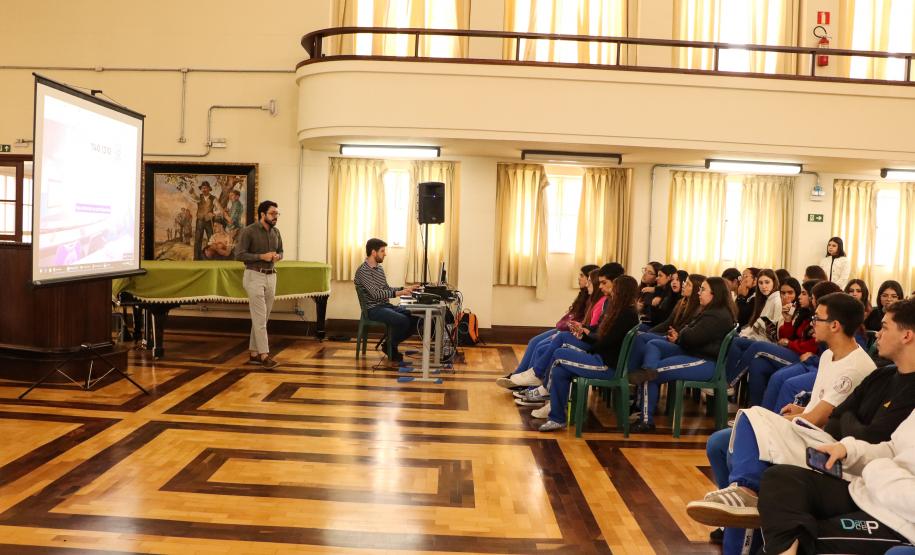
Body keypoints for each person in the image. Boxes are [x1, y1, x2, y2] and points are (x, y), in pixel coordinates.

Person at [686, 293, 877, 530]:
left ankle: (747, 492)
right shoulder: (829, 355)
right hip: (809, 430)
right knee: (719, 442)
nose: (811, 323)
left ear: (835, 326)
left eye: (817, 318)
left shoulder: (855, 367)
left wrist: (792, 418)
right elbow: (819, 404)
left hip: (826, 445)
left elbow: (819, 420)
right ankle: (732, 510)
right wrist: (800, 409)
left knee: (751, 416)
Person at [756, 298, 915, 554]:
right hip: (867, 488)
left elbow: (872, 437)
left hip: (899, 519)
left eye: (884, 327)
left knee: (809, 536)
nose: (877, 334)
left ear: (907, 336)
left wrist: (876, 470)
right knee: (780, 477)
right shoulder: (883, 374)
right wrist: (849, 449)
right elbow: (887, 445)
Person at [628, 277, 737, 433]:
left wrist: (681, 335)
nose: (699, 292)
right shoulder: (711, 311)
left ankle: (646, 421)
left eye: (703, 289)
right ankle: (648, 368)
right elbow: (689, 331)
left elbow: (691, 336)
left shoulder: (716, 315)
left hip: (705, 363)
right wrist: (682, 334)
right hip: (694, 353)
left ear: (715, 294)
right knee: (653, 344)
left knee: (648, 376)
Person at [536, 275, 641, 432]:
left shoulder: (627, 315)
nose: (612, 291)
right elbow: (602, 338)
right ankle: (556, 418)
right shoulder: (620, 310)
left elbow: (604, 343)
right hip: (600, 358)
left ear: (622, 292)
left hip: (607, 367)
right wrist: (584, 335)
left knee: (559, 352)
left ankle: (544, 391)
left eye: (615, 288)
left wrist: (585, 345)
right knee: (560, 370)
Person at [353, 238, 420, 363]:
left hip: (385, 305)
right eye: (382, 251)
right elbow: (376, 294)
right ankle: (390, 346)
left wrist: (405, 289)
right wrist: (398, 293)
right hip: (373, 309)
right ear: (373, 252)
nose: (385, 253)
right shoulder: (363, 271)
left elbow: (386, 288)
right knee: (403, 321)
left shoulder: (379, 268)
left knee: (415, 317)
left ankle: (389, 344)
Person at [234, 200, 283, 369]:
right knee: (260, 318)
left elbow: (281, 251)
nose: (275, 216)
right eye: (272, 213)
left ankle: (254, 353)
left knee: (262, 318)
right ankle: (264, 355)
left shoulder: (276, 232)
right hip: (254, 275)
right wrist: (261, 257)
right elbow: (239, 255)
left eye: (277, 213)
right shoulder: (249, 231)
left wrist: (277, 257)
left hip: (271, 276)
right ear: (262, 214)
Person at [192, 181, 217, 260]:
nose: (204, 189)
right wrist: (192, 193)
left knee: (211, 239)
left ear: (209, 189)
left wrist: (213, 213)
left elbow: (219, 209)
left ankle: (211, 258)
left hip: (209, 221)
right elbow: (194, 197)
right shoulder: (199, 198)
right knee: (198, 239)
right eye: (202, 188)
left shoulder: (213, 198)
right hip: (200, 221)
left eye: (205, 188)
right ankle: (196, 258)